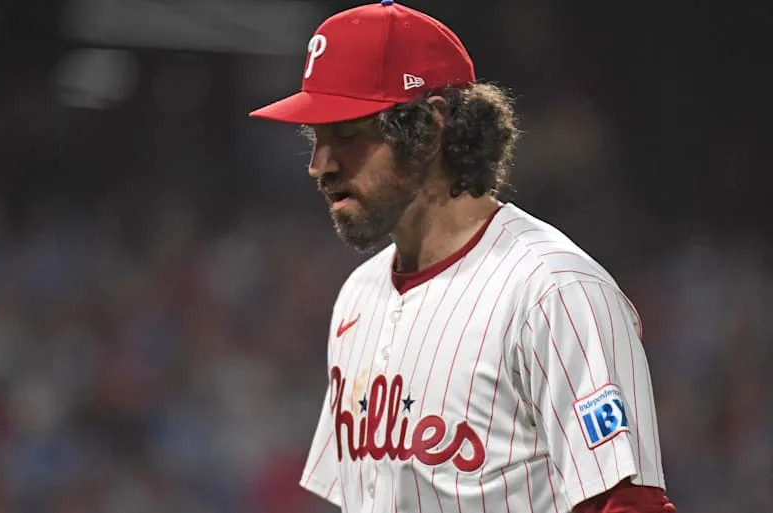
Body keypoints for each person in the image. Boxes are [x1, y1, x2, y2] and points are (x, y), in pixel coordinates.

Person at [249, 1, 676, 512]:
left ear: (429, 129)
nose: (320, 165)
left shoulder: (555, 291)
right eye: (315, 138)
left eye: (346, 134)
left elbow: (627, 505)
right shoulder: (356, 299)